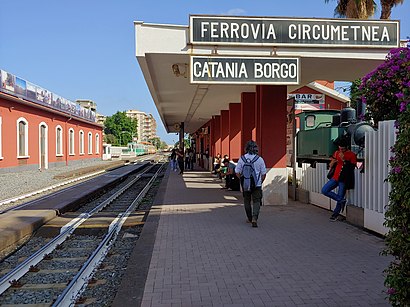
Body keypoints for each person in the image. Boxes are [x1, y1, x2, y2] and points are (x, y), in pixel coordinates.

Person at [321, 138, 357, 221]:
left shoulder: (352, 155)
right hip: (335, 177)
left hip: (344, 179)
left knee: (340, 194)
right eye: (340, 148)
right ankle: (342, 200)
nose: (341, 150)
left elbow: (351, 167)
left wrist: (344, 159)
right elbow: (331, 164)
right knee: (324, 190)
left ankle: (335, 214)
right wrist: (332, 162)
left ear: (346, 147)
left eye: (343, 149)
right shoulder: (336, 153)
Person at [235, 140, 267, 228]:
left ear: (246, 148)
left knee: (247, 201)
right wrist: (259, 181)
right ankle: (254, 218)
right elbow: (263, 174)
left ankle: (249, 218)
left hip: (246, 184)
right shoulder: (260, 159)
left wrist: (243, 180)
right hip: (257, 184)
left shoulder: (242, 159)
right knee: (256, 201)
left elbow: (237, 171)